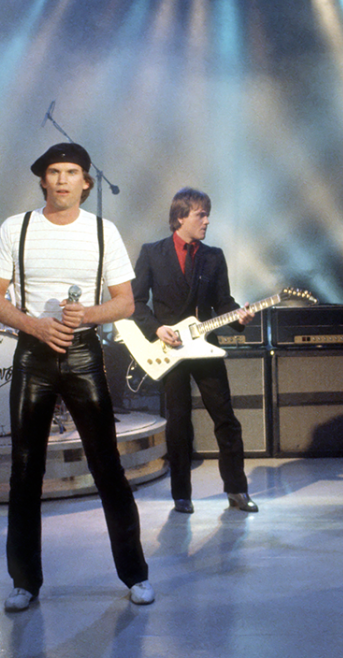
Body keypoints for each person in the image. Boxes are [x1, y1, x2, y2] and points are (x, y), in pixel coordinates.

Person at [0, 143, 153, 612]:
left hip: (82, 355)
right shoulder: (17, 228)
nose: (61, 180)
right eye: (53, 172)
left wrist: (87, 316)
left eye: (71, 172)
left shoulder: (103, 231)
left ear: (86, 182)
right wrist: (35, 324)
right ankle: (24, 581)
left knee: (107, 467)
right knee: (24, 469)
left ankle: (135, 574)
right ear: (42, 180)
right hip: (32, 354)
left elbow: (126, 303)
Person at [130, 187, 258, 515]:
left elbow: (223, 302)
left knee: (226, 418)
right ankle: (181, 494)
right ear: (180, 217)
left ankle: (236, 490)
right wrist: (157, 328)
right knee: (179, 422)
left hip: (205, 348)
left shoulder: (213, 256)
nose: (207, 220)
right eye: (201, 214)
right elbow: (135, 302)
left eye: (207, 214)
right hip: (169, 349)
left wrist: (240, 317)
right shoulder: (152, 252)